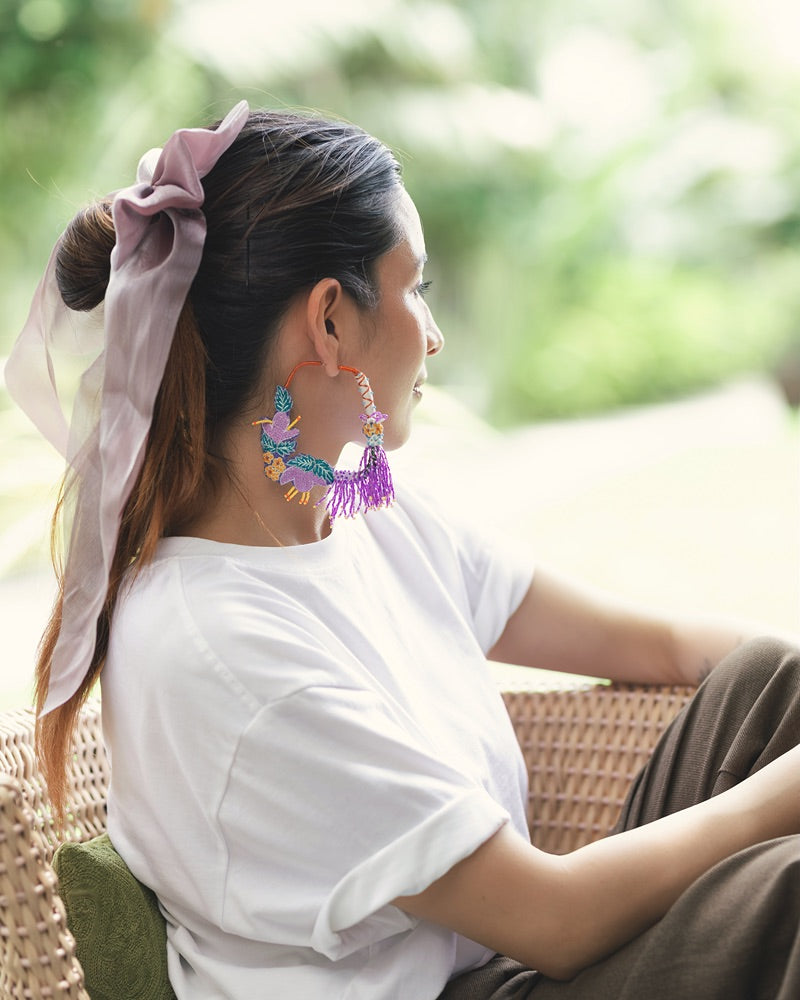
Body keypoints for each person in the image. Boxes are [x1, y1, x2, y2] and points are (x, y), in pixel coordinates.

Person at [6, 100, 800, 1000]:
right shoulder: (220, 650)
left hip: (506, 960)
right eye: (415, 287)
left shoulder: (366, 514)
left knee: (769, 678)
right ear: (330, 322)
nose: (434, 332)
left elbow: (666, 646)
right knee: (787, 890)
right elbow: (556, 918)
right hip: (484, 973)